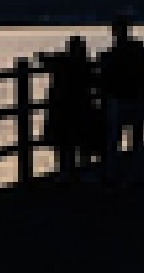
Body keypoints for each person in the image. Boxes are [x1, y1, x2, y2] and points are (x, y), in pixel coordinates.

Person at [97, 15, 144, 183]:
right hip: (136, 96)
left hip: (119, 98)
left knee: (114, 138)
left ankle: (113, 173)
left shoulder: (112, 54)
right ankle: (135, 174)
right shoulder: (139, 50)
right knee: (136, 139)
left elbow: (105, 76)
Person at [41, 36, 102, 179]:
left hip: (62, 111)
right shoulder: (87, 66)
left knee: (64, 146)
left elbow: (43, 59)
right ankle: (81, 174)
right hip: (81, 110)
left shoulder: (62, 63)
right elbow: (96, 84)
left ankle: (65, 175)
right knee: (81, 144)